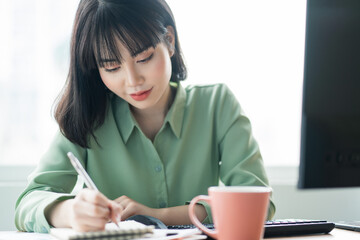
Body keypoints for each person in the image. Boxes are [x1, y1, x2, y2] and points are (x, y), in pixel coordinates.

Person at [15, 0, 275, 233]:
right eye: (112, 67)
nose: (133, 81)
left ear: (170, 40)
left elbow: (258, 205)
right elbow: (29, 203)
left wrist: (154, 216)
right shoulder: (88, 116)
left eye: (144, 58)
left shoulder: (217, 104)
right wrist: (72, 212)